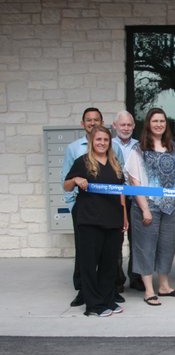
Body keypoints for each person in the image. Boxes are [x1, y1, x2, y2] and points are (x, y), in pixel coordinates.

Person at [62, 107, 124, 307]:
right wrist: (76, 179)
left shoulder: (115, 163)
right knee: (88, 261)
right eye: (98, 140)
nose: (102, 143)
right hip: (90, 218)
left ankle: (107, 300)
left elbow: (122, 191)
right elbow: (66, 184)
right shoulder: (83, 161)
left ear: (110, 142)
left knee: (109, 262)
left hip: (112, 218)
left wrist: (125, 216)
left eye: (105, 140)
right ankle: (92, 303)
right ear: (91, 141)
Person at [125, 108, 175, 306]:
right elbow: (134, 180)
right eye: (155, 121)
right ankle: (149, 290)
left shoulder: (172, 147)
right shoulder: (139, 149)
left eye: (162, 121)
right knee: (146, 247)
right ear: (148, 124)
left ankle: (164, 286)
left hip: (169, 207)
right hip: (148, 204)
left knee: (167, 247)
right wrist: (144, 209)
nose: (159, 124)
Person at [111, 110, 144, 292]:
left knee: (136, 240)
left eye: (129, 125)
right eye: (122, 124)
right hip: (114, 200)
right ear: (115, 126)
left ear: (133, 126)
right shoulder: (108, 144)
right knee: (116, 240)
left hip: (135, 199)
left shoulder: (139, 146)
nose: (126, 128)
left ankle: (136, 276)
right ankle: (116, 279)